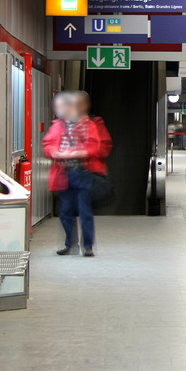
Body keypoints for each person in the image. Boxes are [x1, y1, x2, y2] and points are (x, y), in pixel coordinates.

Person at [42, 91, 112, 256]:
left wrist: (78, 152)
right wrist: (55, 153)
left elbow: (95, 147)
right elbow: (48, 144)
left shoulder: (88, 124)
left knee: (84, 209)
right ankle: (70, 244)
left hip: (83, 173)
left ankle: (87, 246)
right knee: (65, 211)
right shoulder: (57, 125)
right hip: (63, 173)